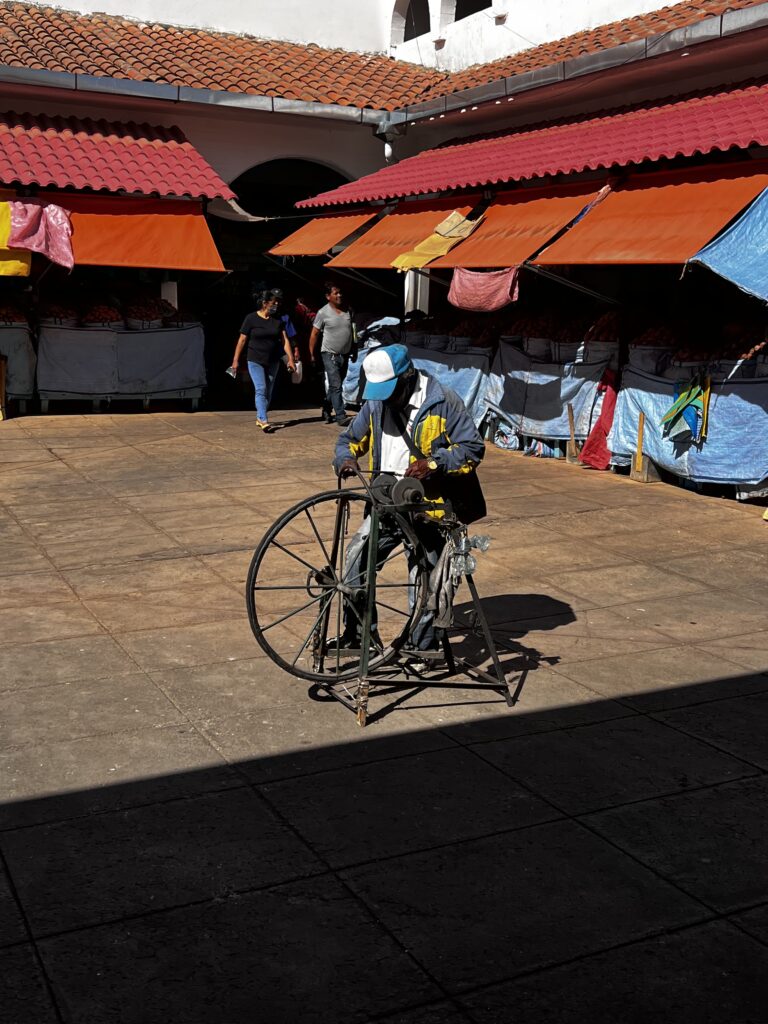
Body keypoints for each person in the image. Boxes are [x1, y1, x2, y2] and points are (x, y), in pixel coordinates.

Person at [334, 344, 486, 654]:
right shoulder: (376, 403)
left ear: (408, 376)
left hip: (428, 511)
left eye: (391, 390)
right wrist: (345, 459)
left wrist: (433, 464)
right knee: (353, 566)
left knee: (425, 583)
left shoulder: (443, 402)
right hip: (386, 505)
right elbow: (349, 440)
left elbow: (472, 449)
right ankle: (359, 637)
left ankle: (421, 648)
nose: (386, 398)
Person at [230, 288, 296, 432]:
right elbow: (242, 340)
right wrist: (235, 360)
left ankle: (260, 416)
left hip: (273, 360)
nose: (276, 305)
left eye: (278, 302)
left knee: (269, 391)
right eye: (273, 302)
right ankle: (264, 419)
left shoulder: (278, 320)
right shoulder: (251, 318)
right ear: (265, 303)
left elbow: (285, 340)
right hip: (255, 359)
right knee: (261, 388)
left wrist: (290, 359)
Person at [309, 282, 354, 426]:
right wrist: (311, 354)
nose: (339, 295)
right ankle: (340, 416)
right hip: (329, 354)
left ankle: (326, 409)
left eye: (340, 292)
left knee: (336, 386)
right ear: (328, 296)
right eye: (336, 293)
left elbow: (353, 332)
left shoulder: (348, 310)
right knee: (336, 385)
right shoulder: (323, 313)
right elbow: (314, 334)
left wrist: (355, 349)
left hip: (345, 354)